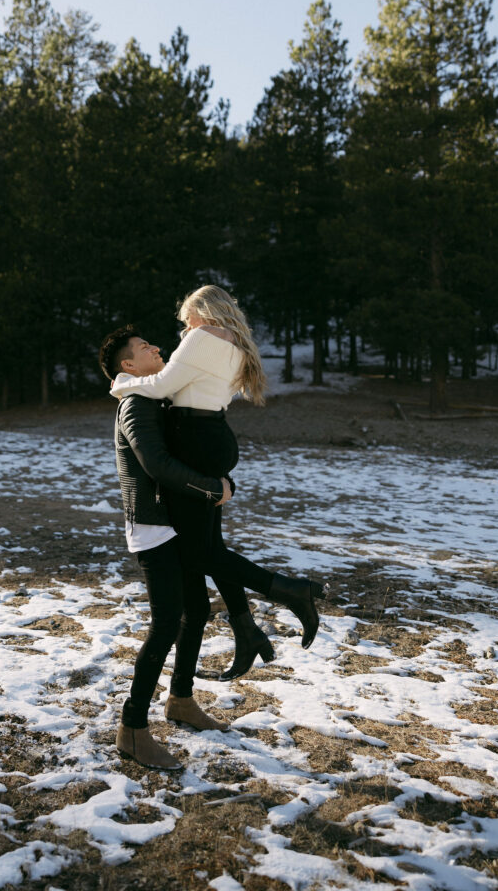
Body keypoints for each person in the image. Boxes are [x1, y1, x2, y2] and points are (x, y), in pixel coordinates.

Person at [110, 285, 327, 650]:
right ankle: (246, 630)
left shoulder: (202, 337)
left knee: (198, 554)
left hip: (195, 438)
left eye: (187, 318)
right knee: (210, 547)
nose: (185, 326)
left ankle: (291, 591)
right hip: (213, 435)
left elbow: (164, 386)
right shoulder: (235, 345)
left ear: (202, 312)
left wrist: (123, 384)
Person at [99, 326, 273, 770]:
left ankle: (180, 701)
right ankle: (133, 730)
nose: (156, 347)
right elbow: (155, 464)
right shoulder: (135, 404)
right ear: (128, 366)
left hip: (175, 524)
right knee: (163, 626)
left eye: (151, 342)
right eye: (144, 347)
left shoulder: (159, 396)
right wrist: (212, 488)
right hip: (154, 528)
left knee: (195, 612)